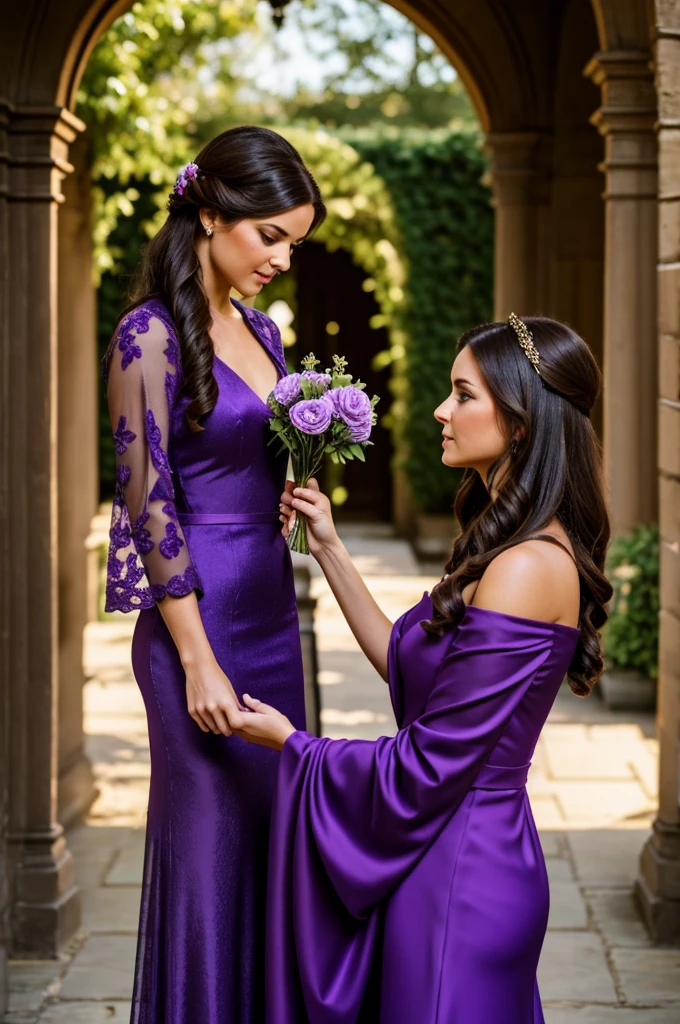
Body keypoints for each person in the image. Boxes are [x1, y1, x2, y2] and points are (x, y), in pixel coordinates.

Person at [231, 314, 612, 1023]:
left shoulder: (528, 567)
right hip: (440, 852)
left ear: (522, 422)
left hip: (463, 875)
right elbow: (407, 671)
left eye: (463, 395)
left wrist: (295, 748)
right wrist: (331, 548)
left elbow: (433, 760)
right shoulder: (501, 542)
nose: (442, 410)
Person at [101, 125, 325, 1024]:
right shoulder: (145, 335)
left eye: (293, 244)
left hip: (274, 612)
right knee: (206, 852)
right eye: (269, 234)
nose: (280, 257)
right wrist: (195, 658)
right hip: (198, 624)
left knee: (277, 844)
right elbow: (148, 501)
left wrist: (299, 485)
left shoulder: (263, 329)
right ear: (210, 211)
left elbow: (250, 457)